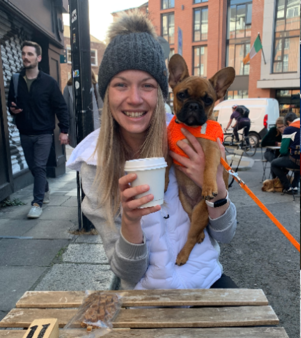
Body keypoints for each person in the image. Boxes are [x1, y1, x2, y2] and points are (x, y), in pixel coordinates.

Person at [66, 12, 237, 290]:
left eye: (147, 85)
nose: (134, 98)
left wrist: (217, 188)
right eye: (121, 84)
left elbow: (226, 234)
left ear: (161, 90)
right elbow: (127, 273)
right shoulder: (96, 163)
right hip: (145, 296)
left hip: (206, 281)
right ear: (106, 92)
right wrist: (131, 223)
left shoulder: (191, 140)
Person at [8, 40, 69, 219]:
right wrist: (13, 109)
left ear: (39, 57)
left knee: (40, 166)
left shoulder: (48, 82)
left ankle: (37, 203)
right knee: (34, 167)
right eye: (24, 54)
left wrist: (64, 130)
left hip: (44, 133)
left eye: (30, 54)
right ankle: (45, 188)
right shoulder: (16, 80)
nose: (26, 57)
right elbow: (11, 102)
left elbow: (61, 107)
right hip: (25, 132)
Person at [64, 70, 103, 148]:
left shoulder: (96, 87)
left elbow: (65, 109)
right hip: (92, 125)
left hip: (78, 127)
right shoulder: (68, 88)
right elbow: (102, 108)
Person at [271, 112, 300, 194]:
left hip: (296, 161)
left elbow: (283, 151)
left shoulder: (289, 129)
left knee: (274, 163)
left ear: (288, 122)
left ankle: (288, 187)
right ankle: (295, 185)